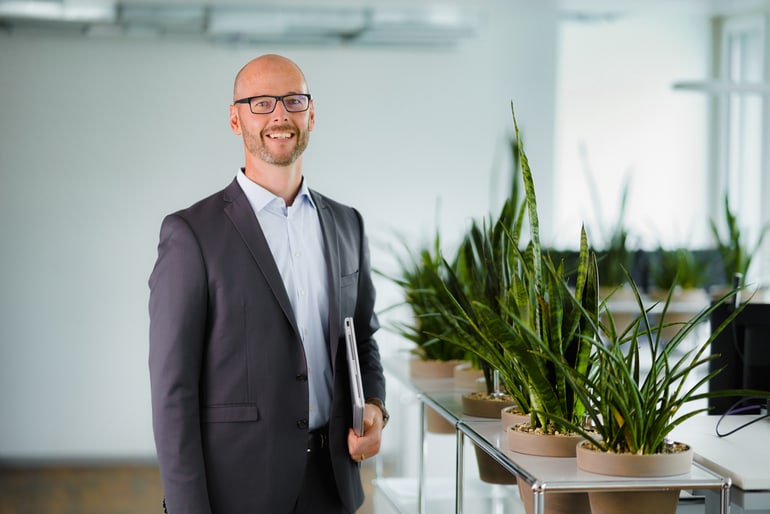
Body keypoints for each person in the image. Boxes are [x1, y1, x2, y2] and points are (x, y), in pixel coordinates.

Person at [148, 54, 388, 514]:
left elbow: (363, 337)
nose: (279, 114)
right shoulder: (190, 235)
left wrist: (374, 405)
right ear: (235, 120)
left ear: (311, 114)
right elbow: (172, 392)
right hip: (237, 490)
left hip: (332, 484)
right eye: (261, 103)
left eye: (293, 100)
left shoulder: (347, 225)